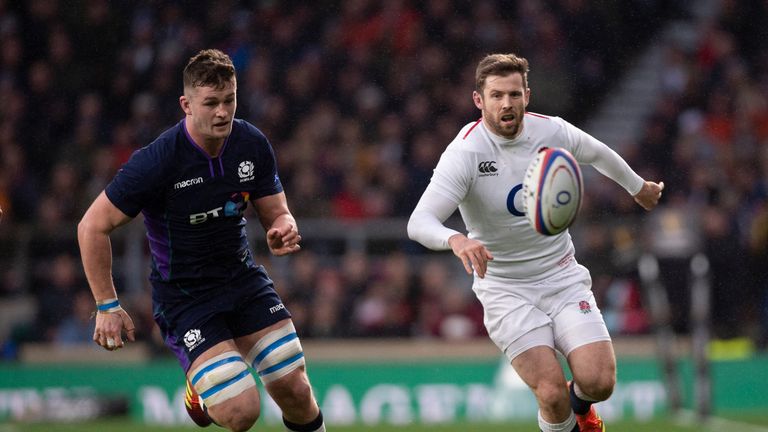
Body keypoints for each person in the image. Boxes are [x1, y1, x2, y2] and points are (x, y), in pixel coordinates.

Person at [407, 53, 664, 432]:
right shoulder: (465, 154)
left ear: (527, 94)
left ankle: (583, 407)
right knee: (550, 392)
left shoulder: (551, 131)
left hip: (561, 275)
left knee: (599, 382)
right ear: (479, 100)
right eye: (496, 96)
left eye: (514, 94)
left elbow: (596, 152)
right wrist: (456, 239)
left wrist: (637, 187)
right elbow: (419, 222)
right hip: (505, 288)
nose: (506, 104)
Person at [78, 49, 325, 432]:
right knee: (242, 412)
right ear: (186, 104)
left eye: (229, 100)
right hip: (186, 298)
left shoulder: (251, 144)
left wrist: (283, 227)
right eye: (211, 103)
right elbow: (92, 226)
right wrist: (107, 305)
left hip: (242, 280)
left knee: (295, 388)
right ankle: (200, 392)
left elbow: (276, 211)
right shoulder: (157, 161)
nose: (223, 112)